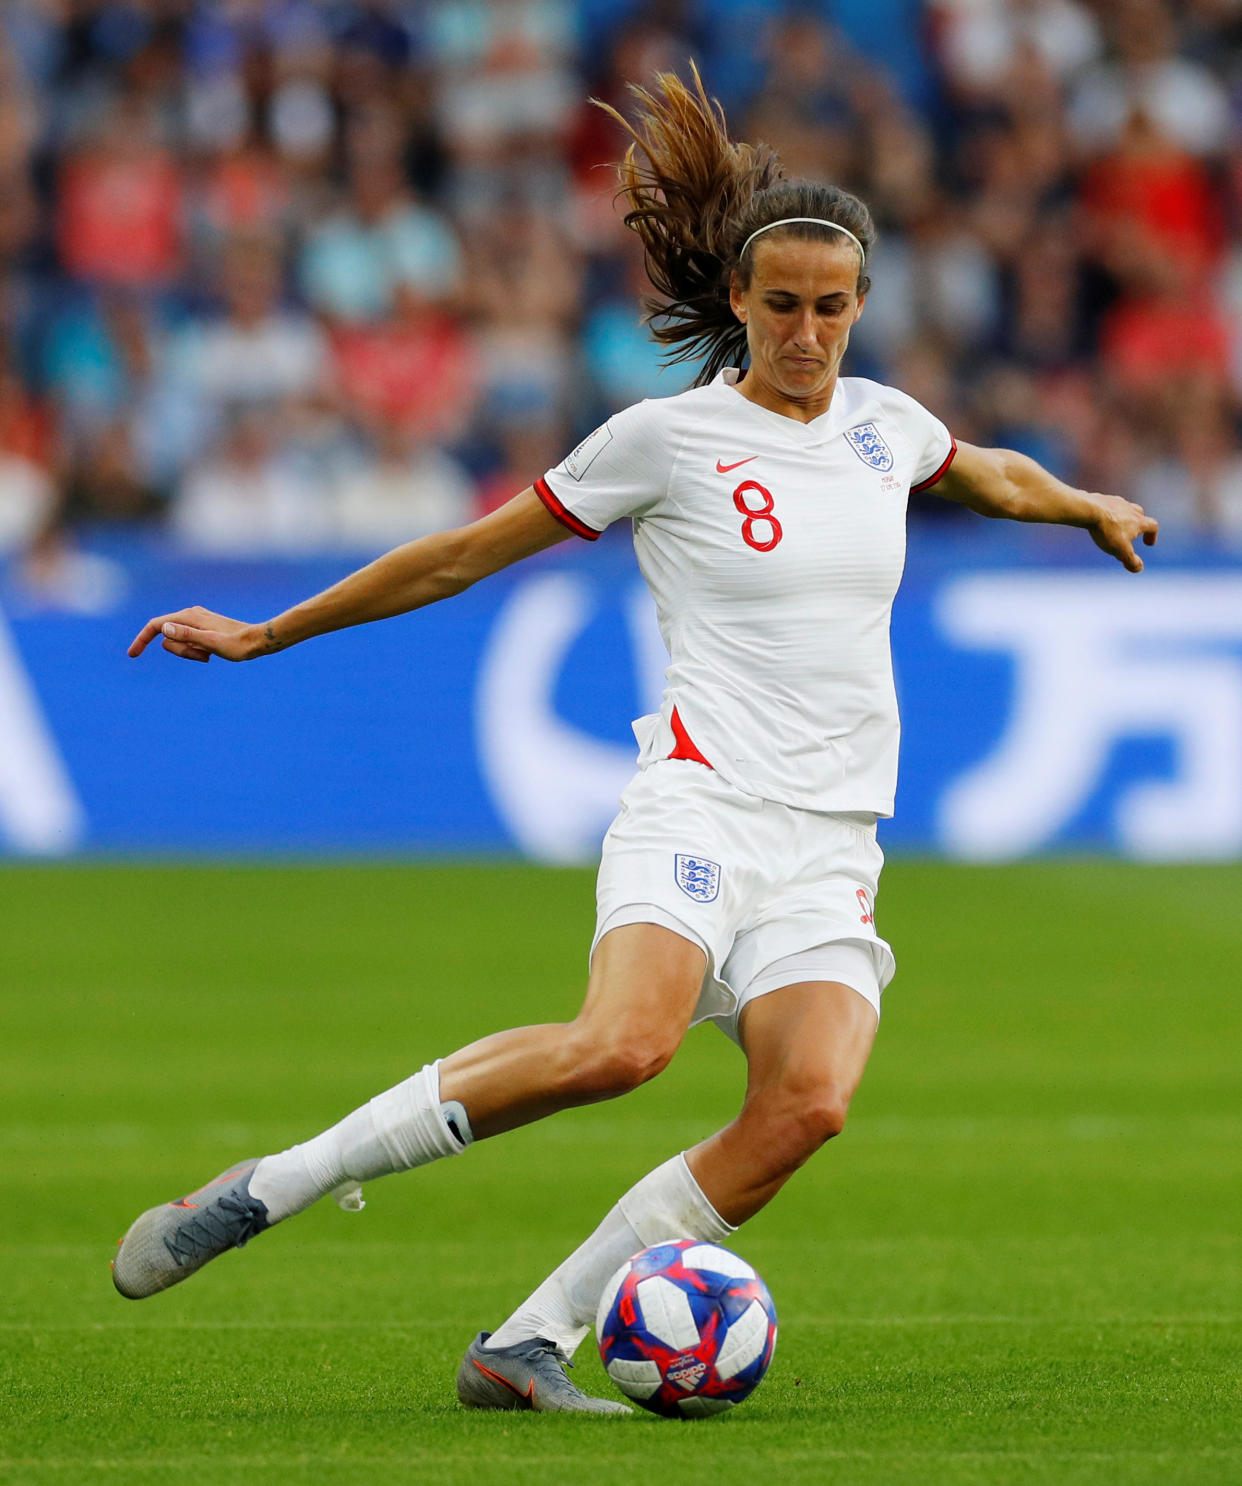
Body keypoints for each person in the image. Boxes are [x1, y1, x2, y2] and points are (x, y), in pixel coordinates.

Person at [113, 71, 1158, 1413]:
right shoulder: (666, 441)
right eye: (779, 306)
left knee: (806, 1108)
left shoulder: (881, 427)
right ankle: (273, 1184)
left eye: (830, 309)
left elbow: (984, 469)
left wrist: (1081, 503)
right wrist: (267, 633)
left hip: (833, 838)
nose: (805, 332)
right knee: (623, 1045)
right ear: (736, 300)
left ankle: (526, 1339)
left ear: (857, 306)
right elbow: (454, 557)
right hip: (701, 805)